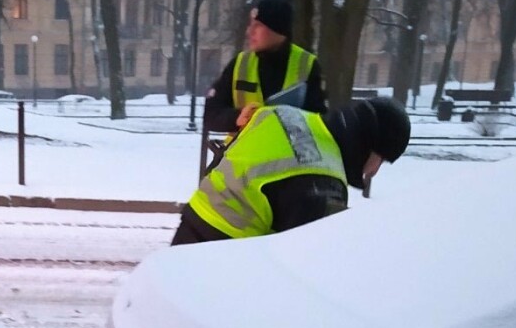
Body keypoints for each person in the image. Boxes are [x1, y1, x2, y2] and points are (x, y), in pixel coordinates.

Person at [170, 95, 411, 245]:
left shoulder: (281, 112)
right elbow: (303, 266)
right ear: (369, 146)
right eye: (382, 160)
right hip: (228, 256)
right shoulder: (324, 183)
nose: (374, 172)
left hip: (192, 223)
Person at [203, 0, 328, 136]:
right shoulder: (240, 64)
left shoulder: (307, 65)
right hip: (243, 157)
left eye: (258, 26)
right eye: (251, 25)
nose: (250, 32)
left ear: (278, 30)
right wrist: (238, 117)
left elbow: (319, 121)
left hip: (287, 157)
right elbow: (211, 115)